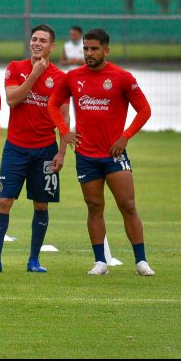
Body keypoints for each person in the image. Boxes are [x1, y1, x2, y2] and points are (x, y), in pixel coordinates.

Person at [47, 28, 154, 276]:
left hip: (114, 156)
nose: (89, 53)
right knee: (94, 206)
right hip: (86, 156)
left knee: (127, 205)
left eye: (94, 49)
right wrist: (64, 131)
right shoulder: (73, 77)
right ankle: (100, 262)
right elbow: (53, 104)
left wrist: (125, 137)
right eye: (86, 48)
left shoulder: (122, 77)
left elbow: (145, 110)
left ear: (106, 49)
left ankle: (141, 261)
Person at [0, 24, 68, 273]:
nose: (37, 43)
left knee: (41, 204)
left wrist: (62, 151)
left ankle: (34, 260)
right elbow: (12, 100)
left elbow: (64, 116)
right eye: (34, 39)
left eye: (43, 40)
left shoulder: (60, 78)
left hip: (46, 150)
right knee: (4, 202)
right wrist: (35, 74)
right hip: (15, 148)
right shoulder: (16, 68)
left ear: (52, 46)